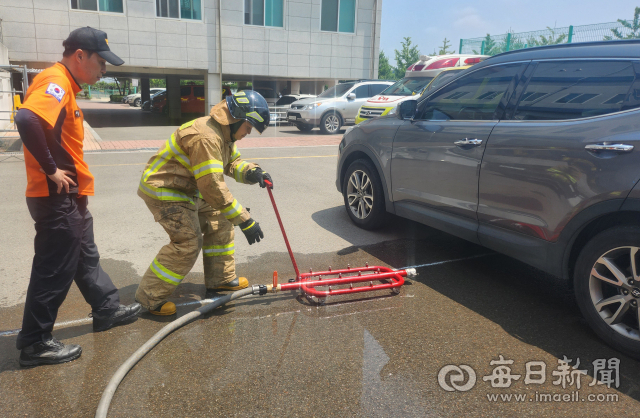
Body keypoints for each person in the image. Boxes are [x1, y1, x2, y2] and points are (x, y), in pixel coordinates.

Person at [14, 27, 141, 367]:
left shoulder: (67, 87)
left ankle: (106, 308)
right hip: (56, 196)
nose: (104, 70)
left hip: (71, 195)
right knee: (54, 268)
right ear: (79, 55)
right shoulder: (54, 81)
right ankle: (35, 343)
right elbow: (26, 118)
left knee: (85, 254)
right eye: (101, 62)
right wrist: (51, 169)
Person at [135, 90, 271, 315]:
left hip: (188, 189)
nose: (248, 133)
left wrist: (252, 172)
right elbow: (213, 187)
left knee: (221, 219)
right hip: (166, 190)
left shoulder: (223, 133)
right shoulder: (206, 137)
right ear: (237, 118)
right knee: (187, 243)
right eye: (248, 128)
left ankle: (220, 280)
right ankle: (149, 298)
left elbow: (231, 162)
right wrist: (246, 221)